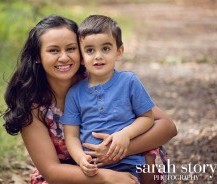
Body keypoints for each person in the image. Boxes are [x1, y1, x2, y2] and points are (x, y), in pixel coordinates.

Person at [2, 14, 177, 184]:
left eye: (71, 48)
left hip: (125, 157)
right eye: (53, 50)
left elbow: (167, 127)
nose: (64, 57)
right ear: (38, 57)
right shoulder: (33, 106)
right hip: (76, 173)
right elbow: (52, 172)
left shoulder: (100, 79)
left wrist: (116, 151)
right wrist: (107, 177)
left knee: (148, 157)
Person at [60, 15, 155, 181]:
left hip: (128, 163)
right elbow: (71, 136)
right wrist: (81, 159)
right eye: (90, 50)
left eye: (105, 48)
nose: (98, 56)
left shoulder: (129, 82)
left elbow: (147, 118)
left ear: (119, 52)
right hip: (93, 169)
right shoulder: (74, 93)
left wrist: (125, 134)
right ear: (82, 58)